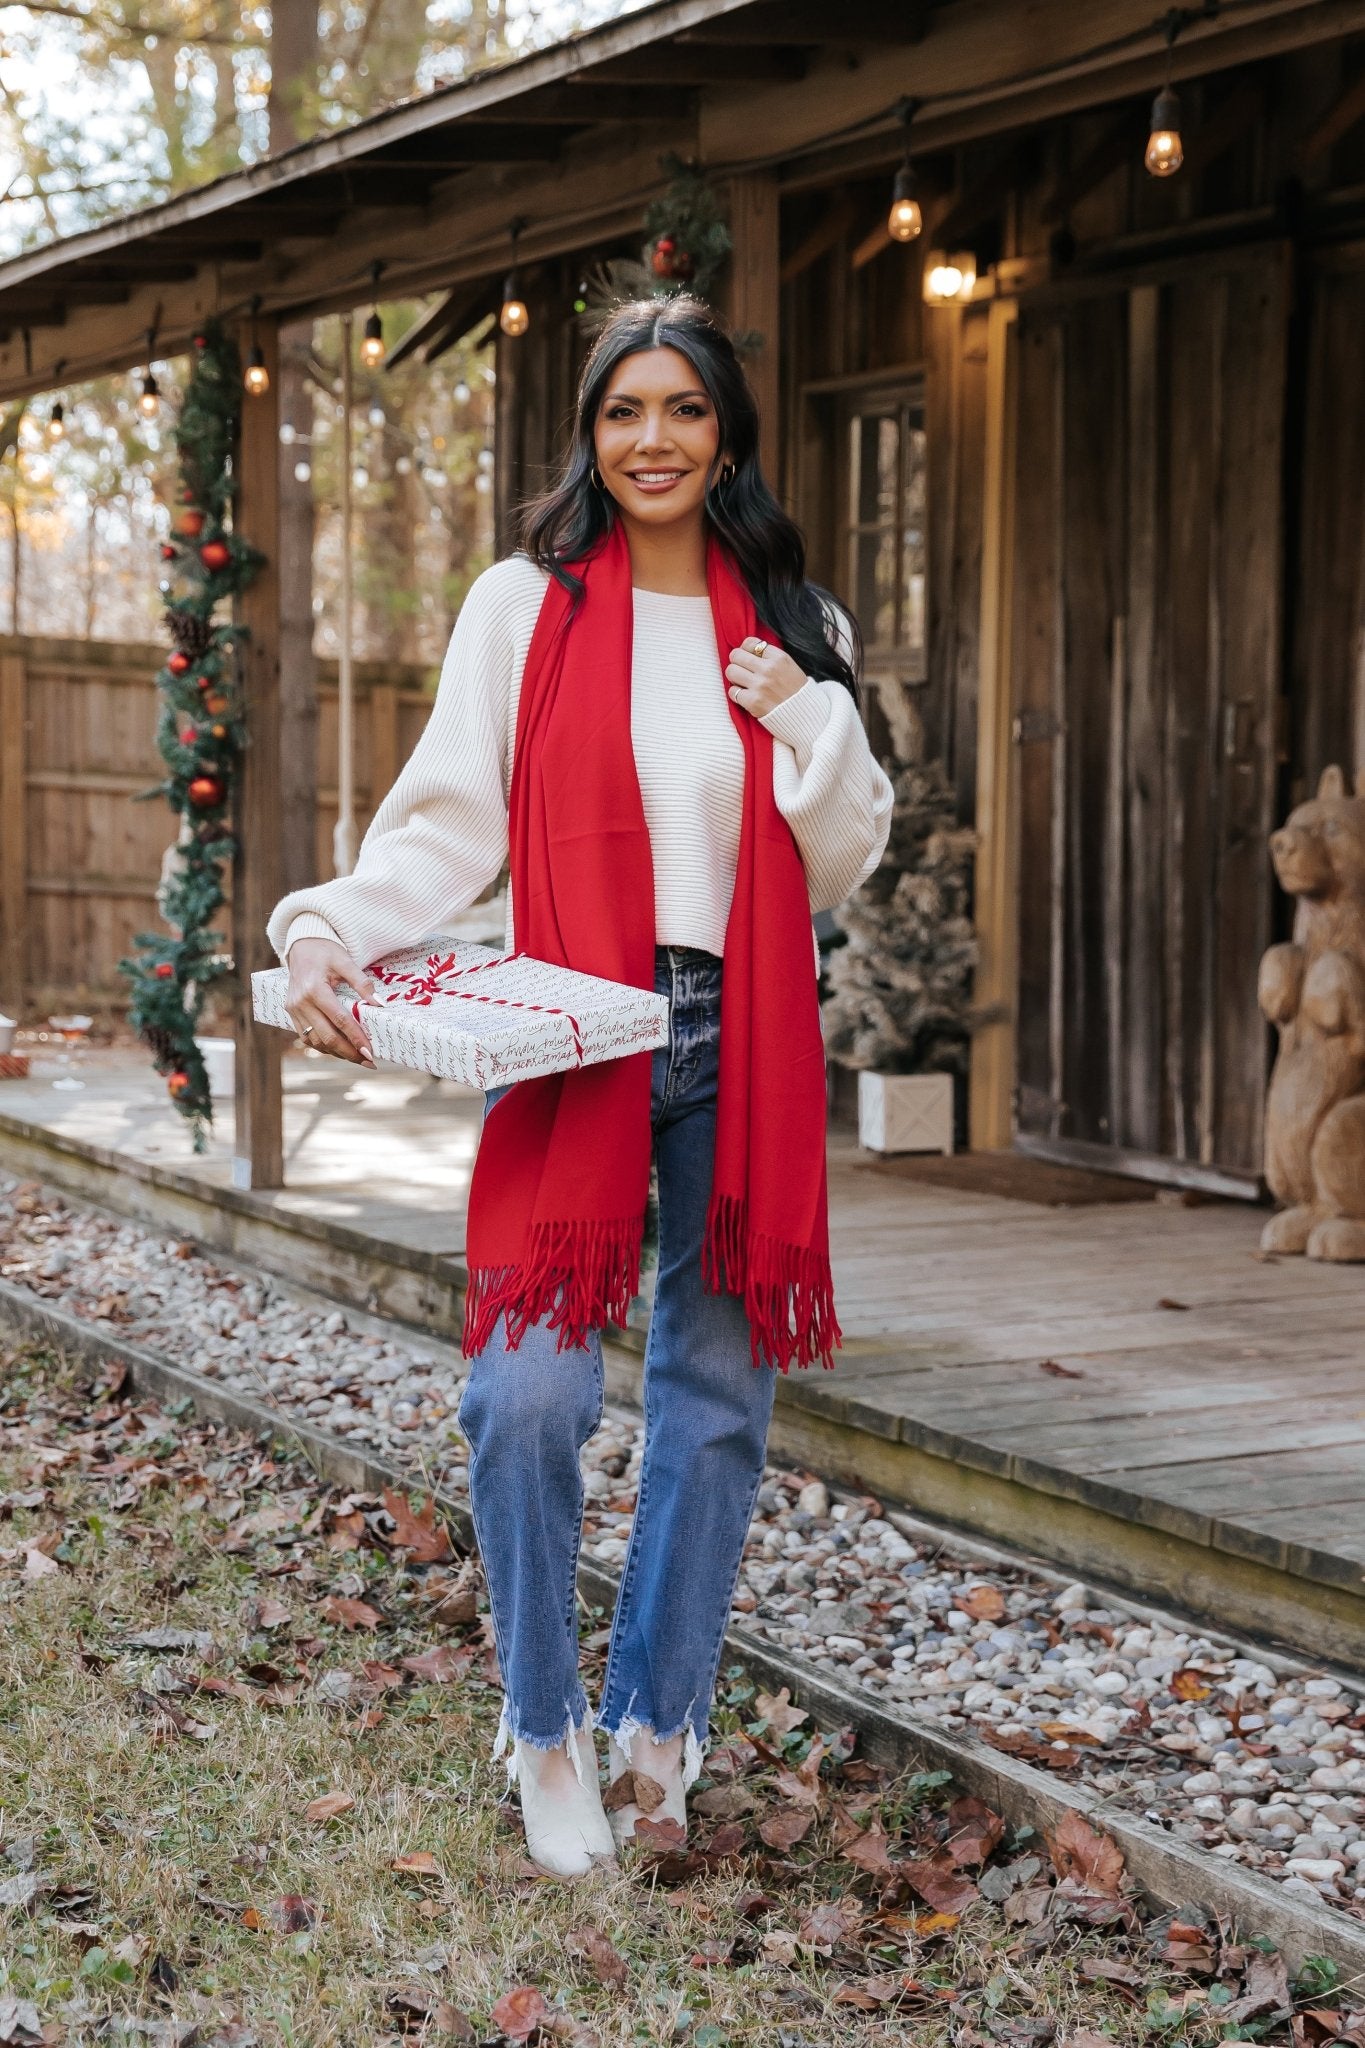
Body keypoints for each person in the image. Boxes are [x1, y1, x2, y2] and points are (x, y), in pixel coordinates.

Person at [266, 293, 894, 1879]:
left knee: (712, 1406)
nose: (653, 440)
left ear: (728, 434)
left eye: (684, 411)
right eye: (625, 412)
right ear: (590, 434)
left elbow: (842, 860)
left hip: (741, 1036)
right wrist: (328, 925)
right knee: (524, 1399)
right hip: (578, 1030)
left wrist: (809, 712)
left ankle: (655, 1731)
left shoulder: (792, 621)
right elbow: (443, 825)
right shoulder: (521, 607)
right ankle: (539, 1722)